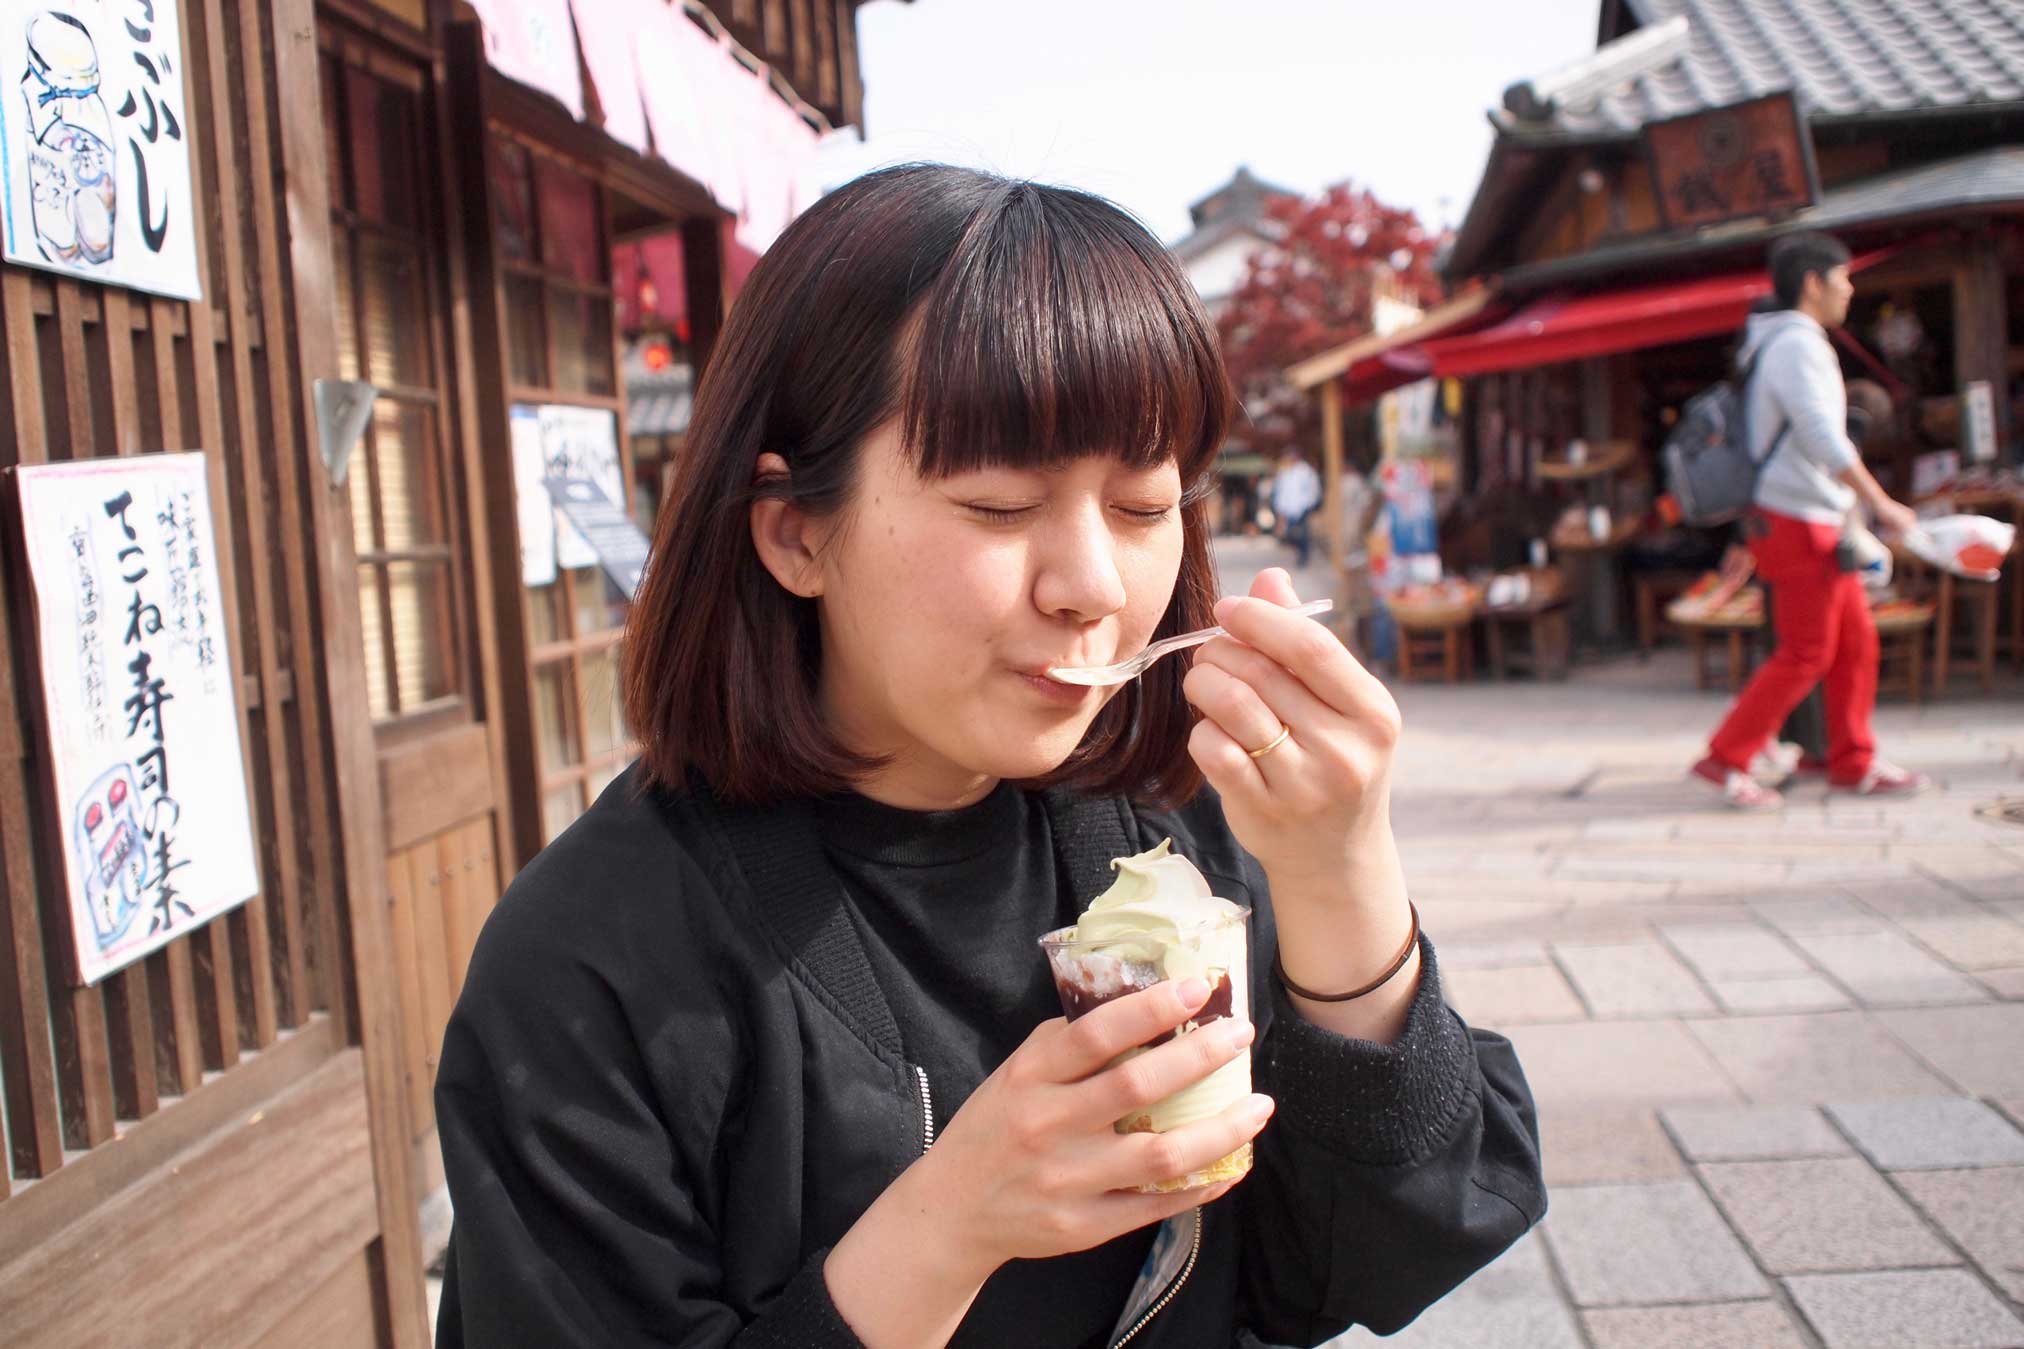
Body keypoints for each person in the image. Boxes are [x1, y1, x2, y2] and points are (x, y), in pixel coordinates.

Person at [432, 165, 1543, 1347]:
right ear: (795, 530)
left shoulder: (1165, 834)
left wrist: (1338, 874)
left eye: (1141, 503)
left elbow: (1365, 1262)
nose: (1094, 587)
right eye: (1001, 505)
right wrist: (948, 1227)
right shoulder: (593, 961)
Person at [1691, 233, 1929, 810]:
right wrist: (1881, 503)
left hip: (1808, 514)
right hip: (1796, 516)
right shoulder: (1796, 344)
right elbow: (1824, 436)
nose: (1850, 289)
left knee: (1854, 644)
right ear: (1813, 282)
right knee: (1807, 650)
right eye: (1843, 277)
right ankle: (1725, 757)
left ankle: (1850, 758)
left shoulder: (1778, 341)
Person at [1269, 445, 1321, 567]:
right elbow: (1281, 491)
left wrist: (1308, 505)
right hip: (1288, 510)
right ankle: (1300, 553)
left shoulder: (1306, 471)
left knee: (1302, 534)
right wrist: (1279, 508)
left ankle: (1304, 556)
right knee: (1290, 534)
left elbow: (1312, 490)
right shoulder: (1284, 472)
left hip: (1302, 508)